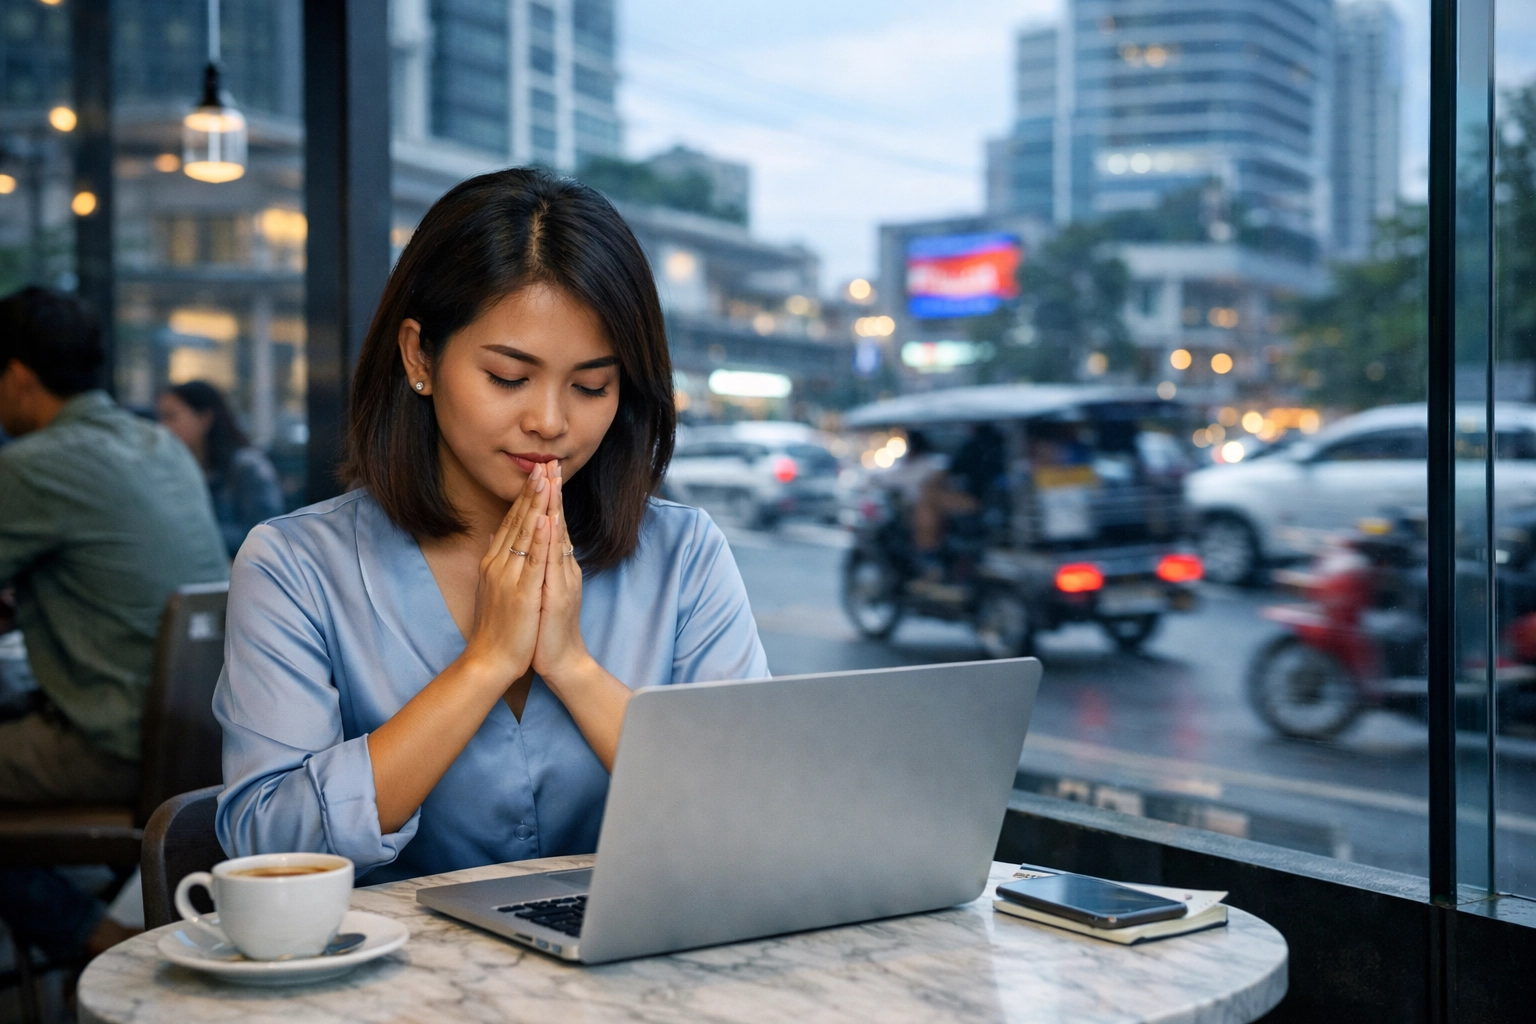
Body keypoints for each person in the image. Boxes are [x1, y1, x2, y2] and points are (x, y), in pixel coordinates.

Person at [214, 168, 768, 884]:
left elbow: (750, 817)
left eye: (592, 386)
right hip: (390, 989)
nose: (551, 421)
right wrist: (484, 666)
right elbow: (266, 843)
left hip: (629, 977)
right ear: (420, 356)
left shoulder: (683, 556)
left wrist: (570, 666)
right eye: (509, 377)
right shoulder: (294, 567)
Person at [0, 287, 229, 960]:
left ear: (17, 376)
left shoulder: (31, 465)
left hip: (113, 743)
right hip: (193, 737)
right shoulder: (159, 445)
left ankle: (96, 941)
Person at [157, 380, 285, 556]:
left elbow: (267, 532)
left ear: (204, 418)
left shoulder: (247, 466)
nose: (162, 428)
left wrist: (188, 535)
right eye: (161, 418)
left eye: (171, 417)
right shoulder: (172, 469)